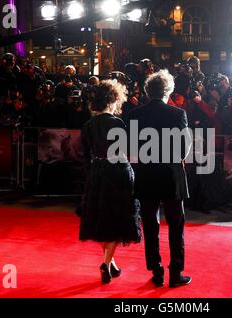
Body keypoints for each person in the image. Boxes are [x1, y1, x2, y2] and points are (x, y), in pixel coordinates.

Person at [128, 70, 193, 288]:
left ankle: (156, 271)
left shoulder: (136, 114)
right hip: (171, 175)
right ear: (168, 90)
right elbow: (185, 148)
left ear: (148, 90)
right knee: (176, 225)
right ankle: (175, 273)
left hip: (146, 174)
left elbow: (132, 147)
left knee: (150, 225)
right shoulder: (177, 114)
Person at [78, 80, 142, 284]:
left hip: (97, 174)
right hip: (118, 172)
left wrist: (92, 173)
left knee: (101, 219)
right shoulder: (117, 123)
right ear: (112, 101)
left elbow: (85, 155)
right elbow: (127, 151)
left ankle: (110, 263)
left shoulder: (88, 125)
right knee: (118, 219)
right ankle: (105, 264)